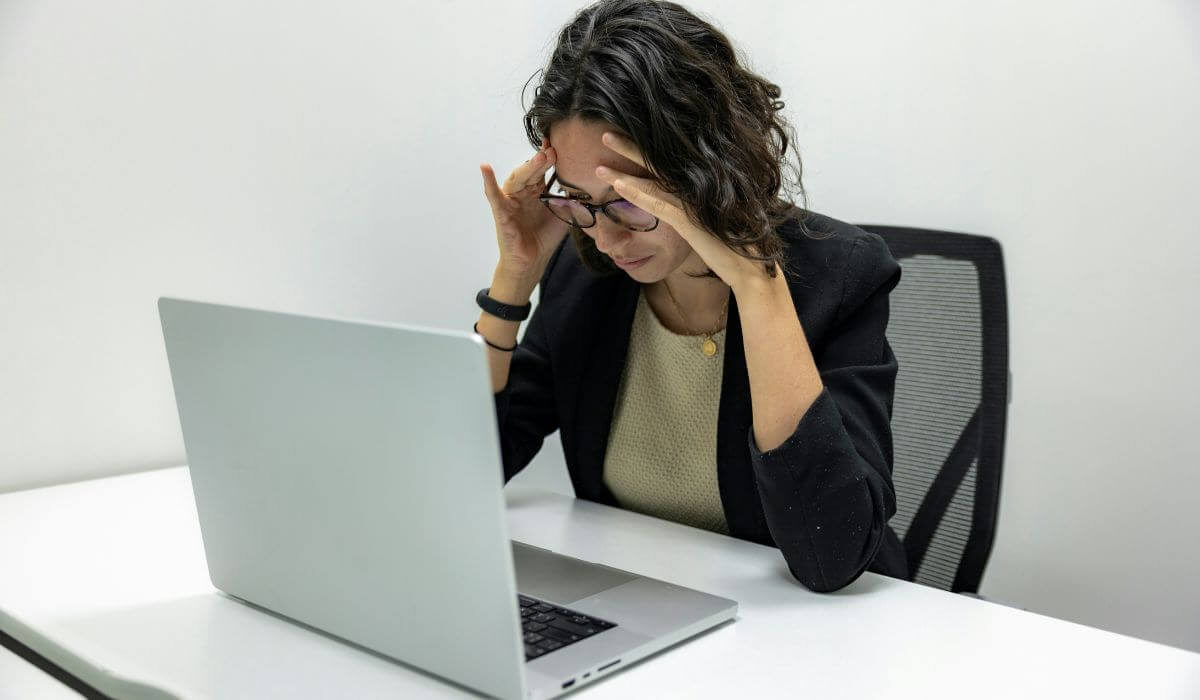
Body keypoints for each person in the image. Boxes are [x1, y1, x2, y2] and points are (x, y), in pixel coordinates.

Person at [474, 0, 907, 592]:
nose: (606, 235)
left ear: (705, 166)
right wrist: (513, 280)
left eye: (629, 199)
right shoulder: (588, 277)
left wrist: (756, 286)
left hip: (811, 636)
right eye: (577, 199)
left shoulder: (838, 275)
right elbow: (466, 472)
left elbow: (829, 555)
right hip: (645, 605)